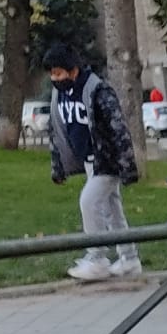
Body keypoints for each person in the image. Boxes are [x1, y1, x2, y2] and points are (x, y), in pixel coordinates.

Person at [45, 43, 141, 282]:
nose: (54, 78)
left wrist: (127, 165)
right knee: (111, 211)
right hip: (88, 161)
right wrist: (58, 166)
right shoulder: (60, 94)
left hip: (105, 160)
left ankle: (97, 257)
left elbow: (118, 129)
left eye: (58, 73)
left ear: (73, 70)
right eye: (52, 74)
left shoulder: (97, 90)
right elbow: (56, 130)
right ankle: (129, 259)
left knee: (88, 202)